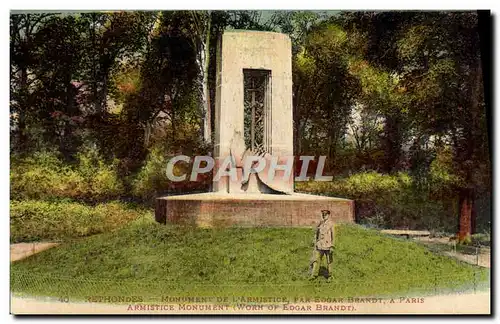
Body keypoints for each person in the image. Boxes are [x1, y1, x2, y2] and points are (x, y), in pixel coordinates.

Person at [309, 210, 335, 281]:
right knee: (316, 260)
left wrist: (332, 246)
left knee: (329, 261)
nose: (324, 216)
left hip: (328, 245)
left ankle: (330, 276)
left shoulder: (331, 224)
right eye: (323, 214)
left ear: (329, 215)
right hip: (320, 245)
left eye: (325, 215)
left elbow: (333, 236)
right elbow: (316, 233)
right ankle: (313, 275)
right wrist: (315, 242)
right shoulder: (320, 224)